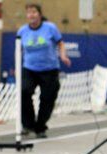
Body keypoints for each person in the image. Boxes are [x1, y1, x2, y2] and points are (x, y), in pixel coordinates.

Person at [18, 3, 71, 138]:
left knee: (47, 98)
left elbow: (60, 43)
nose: (31, 15)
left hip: (49, 69)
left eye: (34, 12)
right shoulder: (22, 31)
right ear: (26, 15)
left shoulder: (50, 28)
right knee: (24, 92)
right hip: (29, 68)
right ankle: (28, 124)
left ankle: (40, 126)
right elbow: (18, 49)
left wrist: (63, 55)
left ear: (39, 15)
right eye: (29, 12)